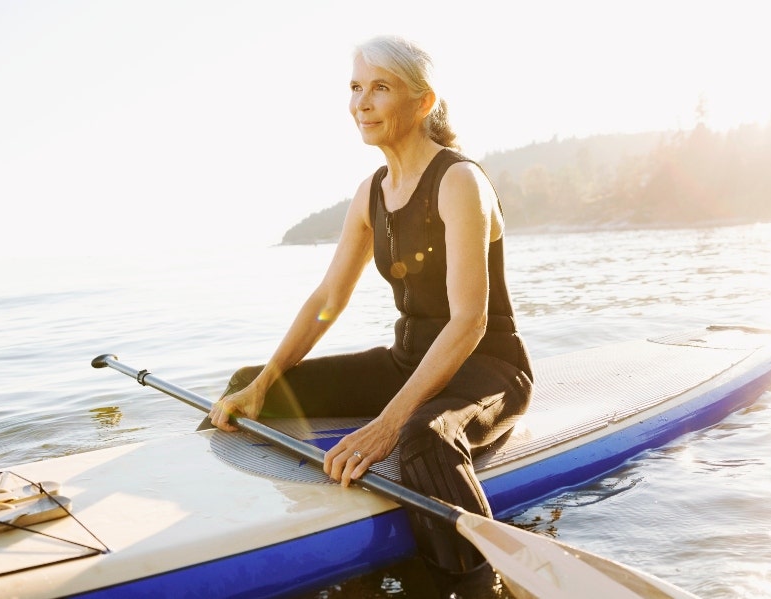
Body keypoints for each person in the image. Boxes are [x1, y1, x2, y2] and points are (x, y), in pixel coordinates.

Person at [208, 34, 534, 587]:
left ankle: (478, 580)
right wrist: (265, 381)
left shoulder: (459, 181)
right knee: (251, 385)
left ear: (422, 102)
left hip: (488, 368)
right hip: (408, 362)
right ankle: (229, 533)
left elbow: (469, 321)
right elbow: (327, 300)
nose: (361, 102)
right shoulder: (372, 192)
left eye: (380, 88)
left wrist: (389, 423)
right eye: (356, 87)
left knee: (423, 440)